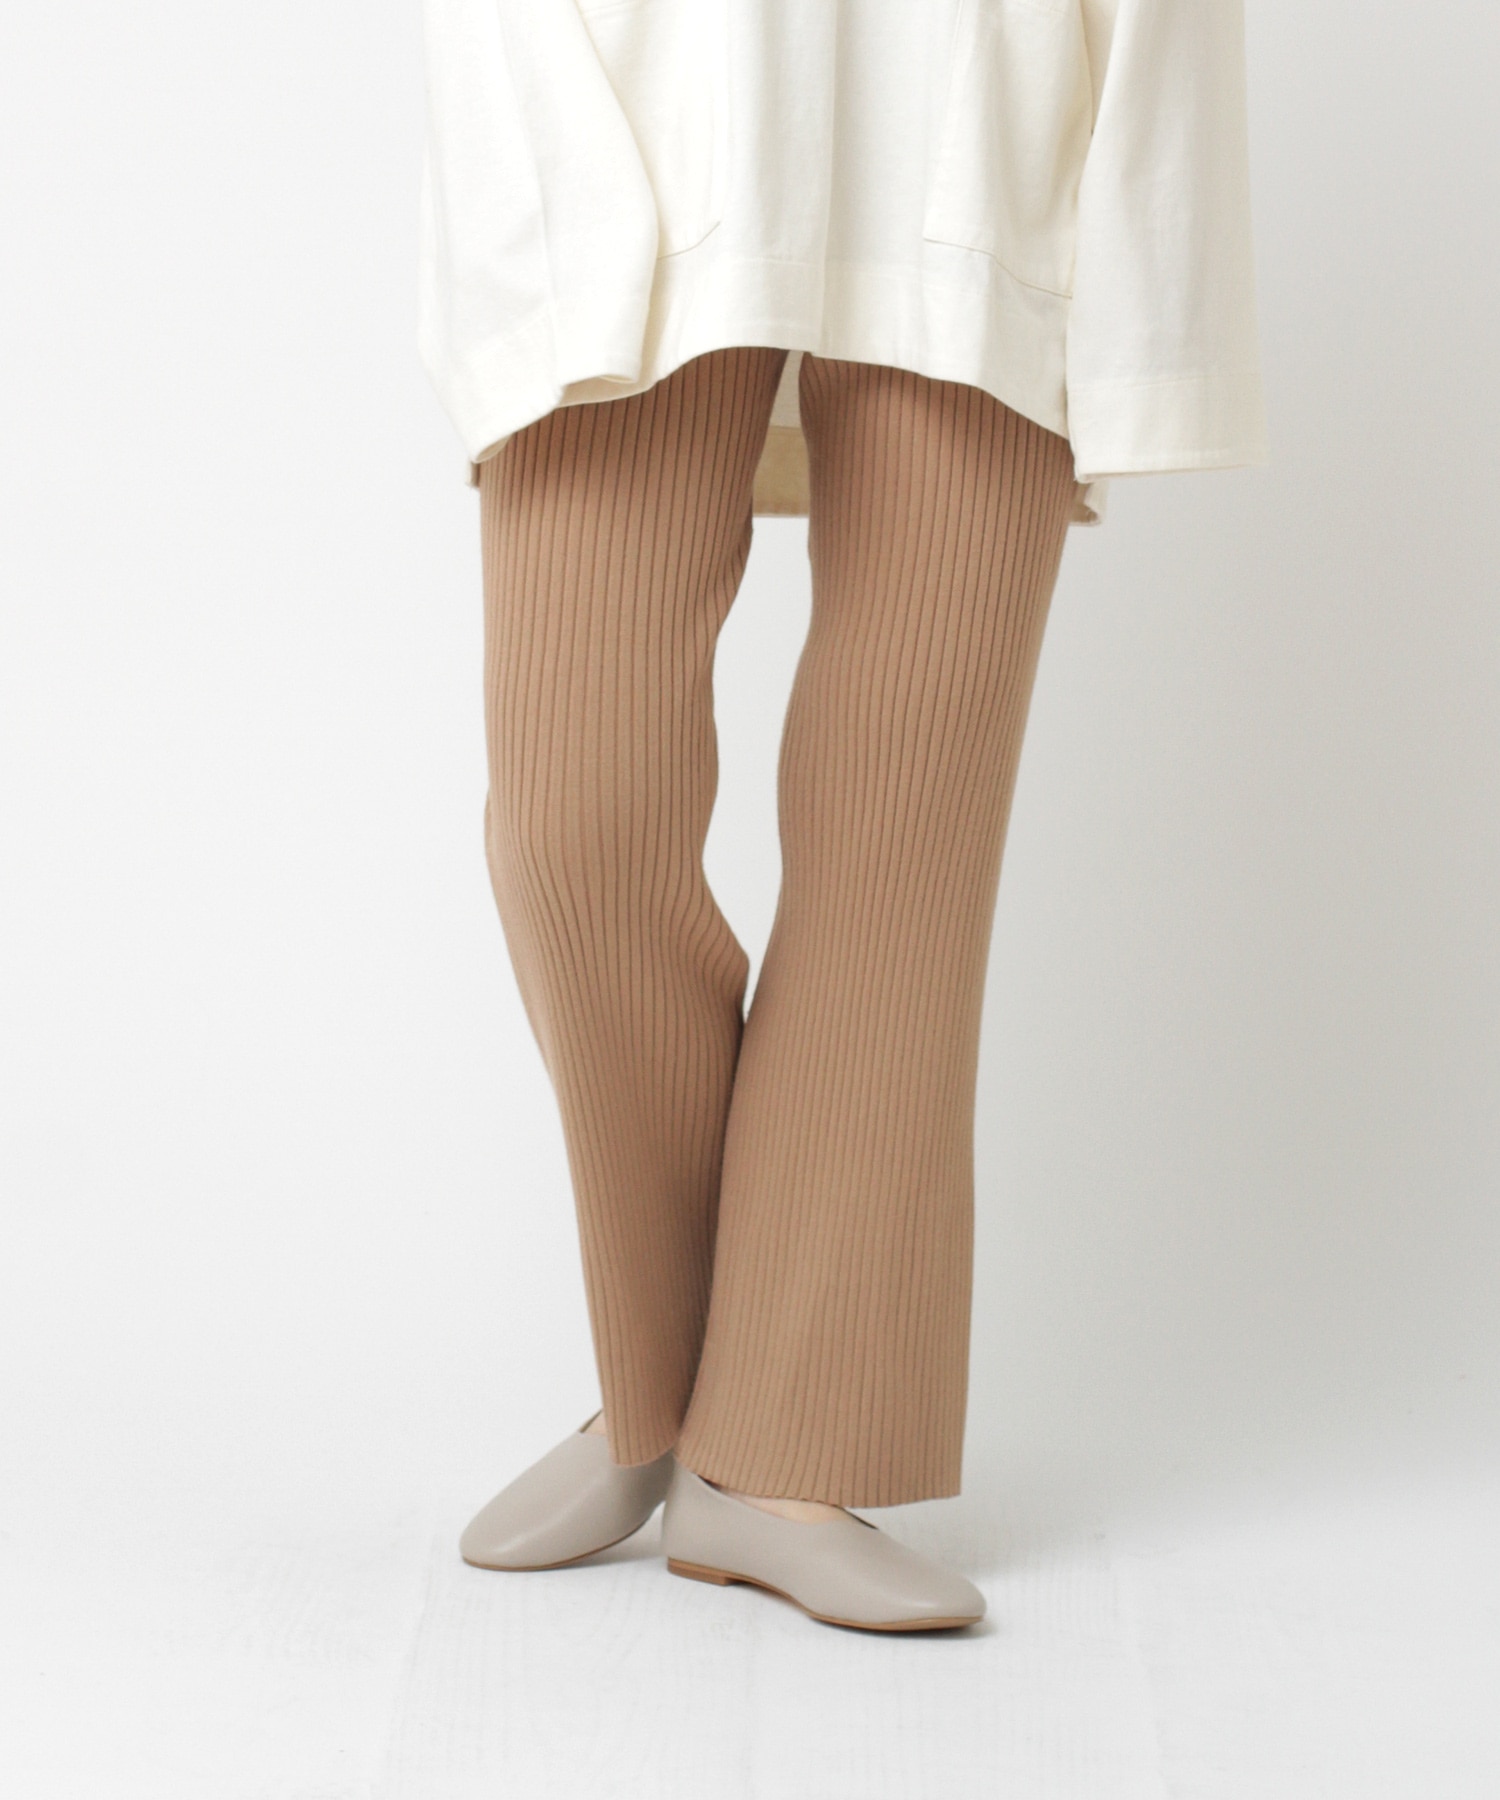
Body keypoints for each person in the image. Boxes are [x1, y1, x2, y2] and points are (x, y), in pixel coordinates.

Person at [417, 0, 1267, 1632]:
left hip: (986, 161)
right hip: (628, 152)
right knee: (573, 824)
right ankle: (672, 1389)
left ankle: (779, 1452)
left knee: (904, 849)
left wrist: (1144, 279)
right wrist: (534, 197)